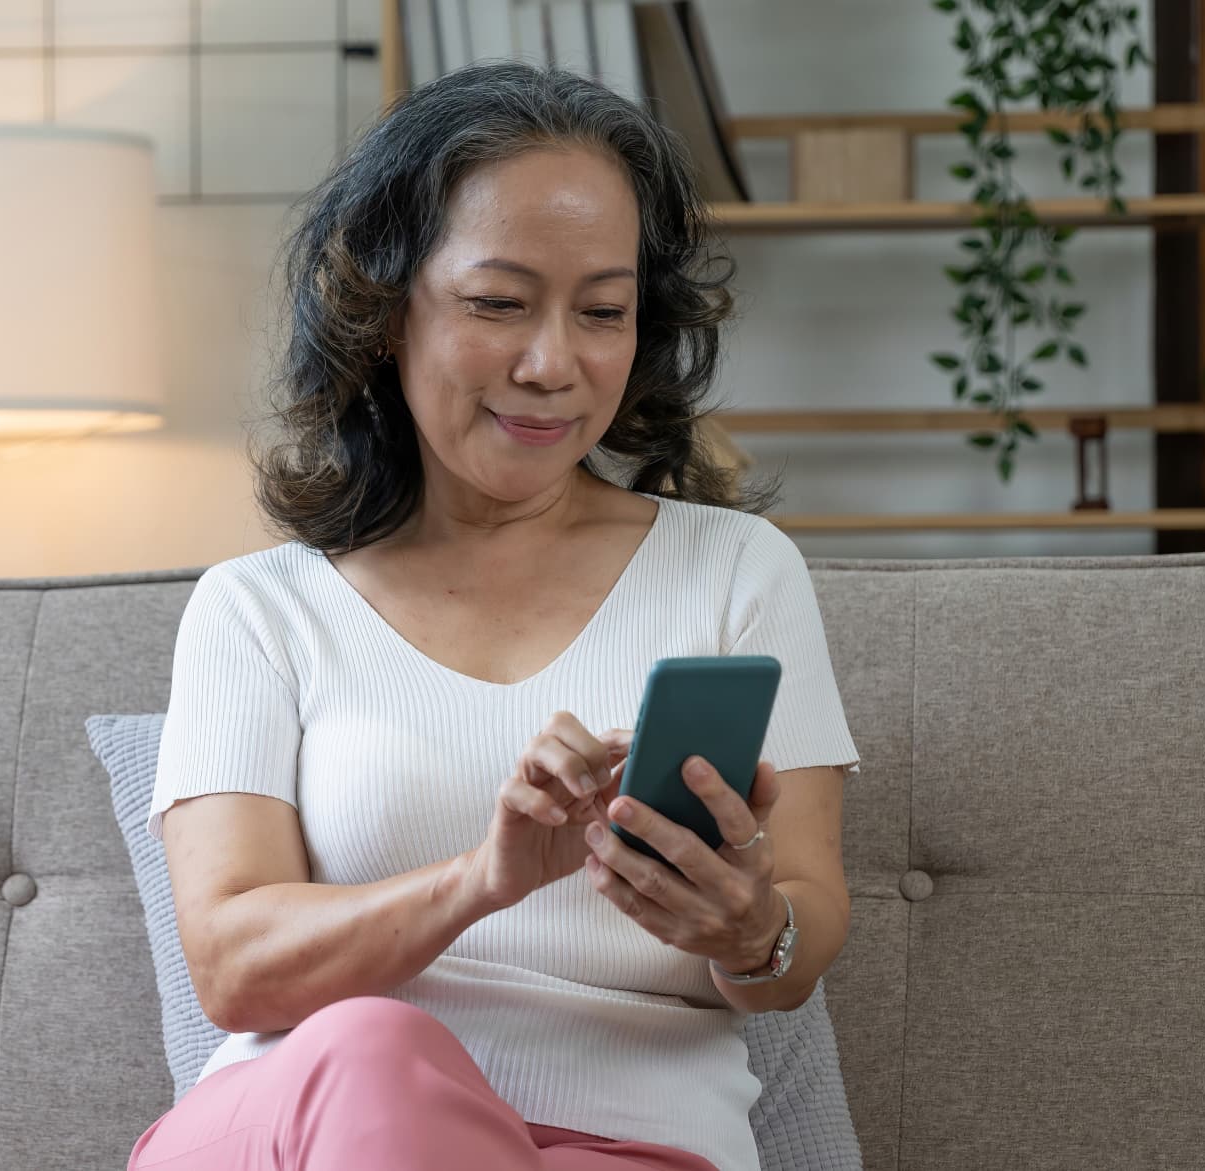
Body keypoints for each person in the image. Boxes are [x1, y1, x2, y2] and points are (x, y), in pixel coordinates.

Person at [130, 61, 861, 1171]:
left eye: (602, 312)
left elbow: (800, 936)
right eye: (497, 303)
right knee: (375, 1048)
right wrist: (487, 876)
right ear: (381, 313)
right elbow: (235, 967)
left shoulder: (734, 571)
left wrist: (752, 928)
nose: (552, 363)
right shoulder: (260, 610)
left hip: (633, 1141)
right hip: (304, 1125)